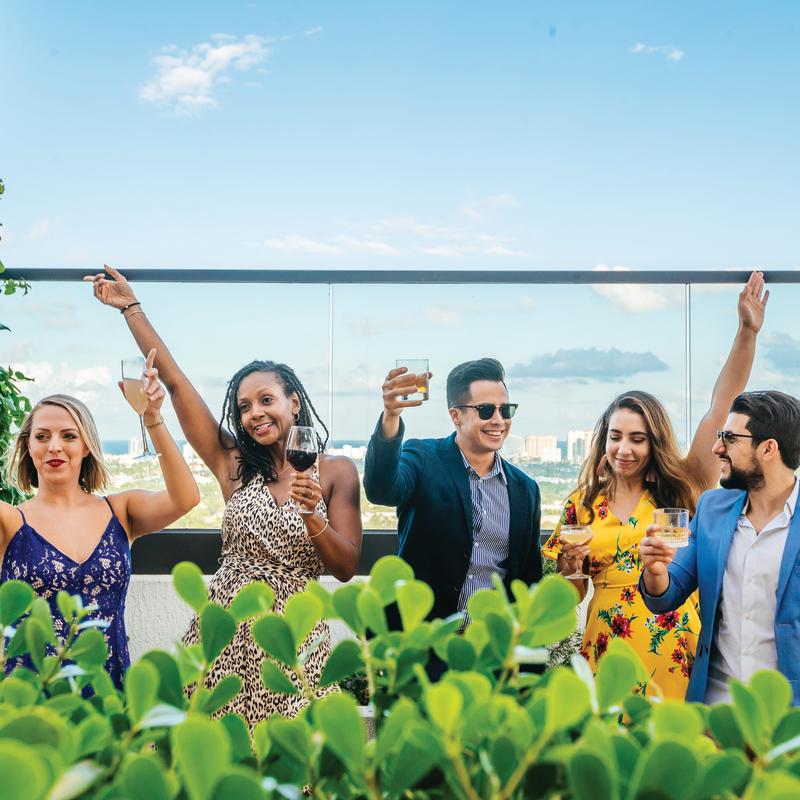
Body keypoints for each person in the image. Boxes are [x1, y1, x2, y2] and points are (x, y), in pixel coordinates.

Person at [85, 265, 363, 725]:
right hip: (223, 636)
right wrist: (130, 308)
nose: (254, 413)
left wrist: (313, 515)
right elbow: (174, 382)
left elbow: (347, 566)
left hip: (293, 640)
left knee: (294, 768)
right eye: (244, 407)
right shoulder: (231, 464)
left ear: (293, 401)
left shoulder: (336, 471)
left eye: (266, 400)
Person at [543, 271, 769, 699]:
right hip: (606, 648)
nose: (623, 448)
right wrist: (570, 571)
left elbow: (721, 404)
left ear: (655, 441)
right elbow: (570, 595)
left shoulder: (683, 485)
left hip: (675, 648)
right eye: (615, 436)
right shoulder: (581, 505)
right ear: (603, 438)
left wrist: (746, 332)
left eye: (637, 438)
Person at [0, 357, 200, 688]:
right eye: (42, 436)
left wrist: (152, 418)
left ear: (87, 447)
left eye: (68, 436)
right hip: (31, 699)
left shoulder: (121, 510)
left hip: (109, 690)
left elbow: (186, 498)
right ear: (28, 446)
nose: (54, 446)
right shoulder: (9, 520)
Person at [639, 391, 800, 704]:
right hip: (715, 710)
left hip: (788, 719)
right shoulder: (712, 509)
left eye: (729, 438)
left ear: (768, 448)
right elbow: (666, 596)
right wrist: (655, 571)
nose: (717, 448)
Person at [364, 357, 542, 631]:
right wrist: (391, 417)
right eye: (485, 410)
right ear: (456, 415)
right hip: (421, 645)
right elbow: (381, 490)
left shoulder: (525, 490)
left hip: (487, 652)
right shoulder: (423, 459)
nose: (498, 420)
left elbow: (527, 582)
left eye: (505, 410)